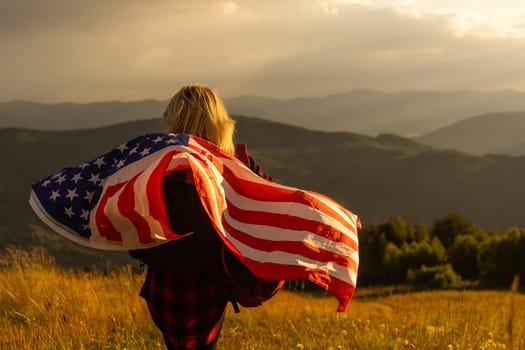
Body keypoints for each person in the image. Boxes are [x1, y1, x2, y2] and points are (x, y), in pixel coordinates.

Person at [129, 83, 274, 350]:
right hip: (212, 286)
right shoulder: (237, 165)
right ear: (219, 121)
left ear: (174, 118)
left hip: (165, 285)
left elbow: (132, 225)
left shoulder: (153, 164)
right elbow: (273, 203)